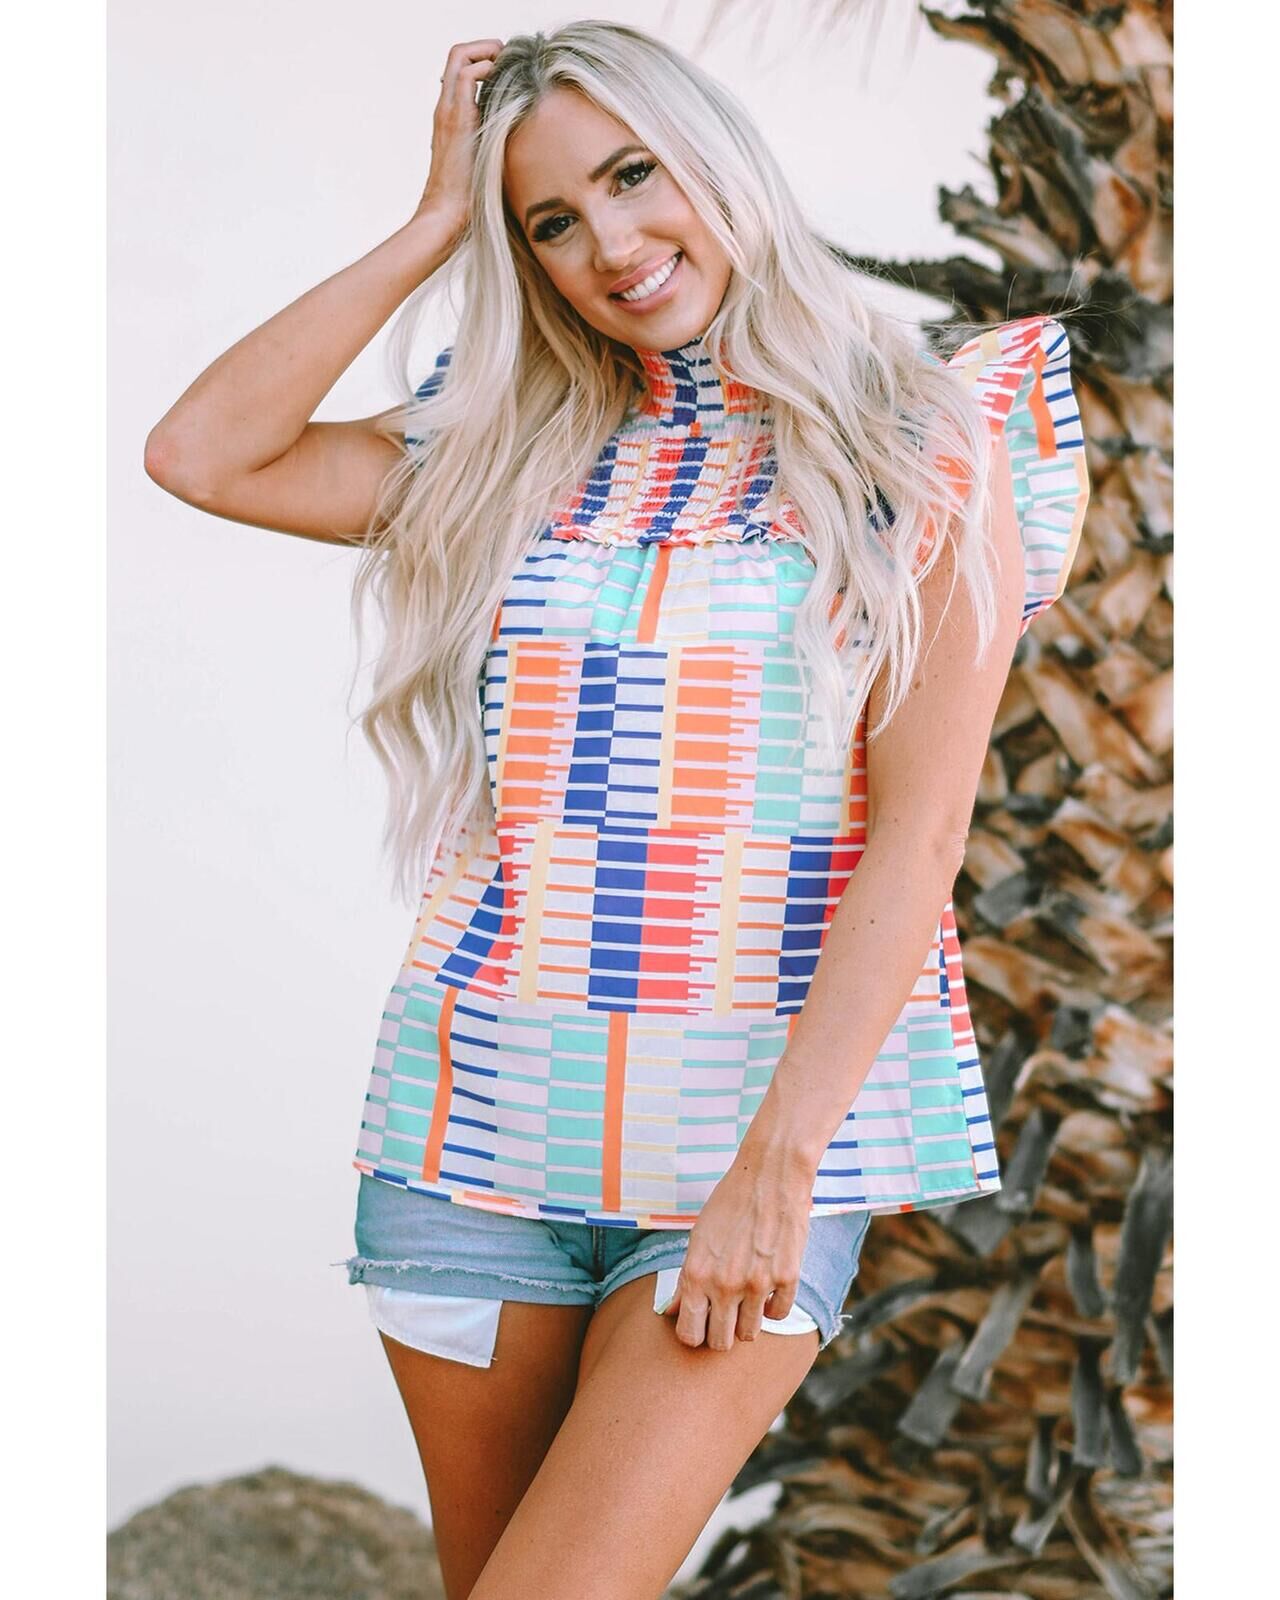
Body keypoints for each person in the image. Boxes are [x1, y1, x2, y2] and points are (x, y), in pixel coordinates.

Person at [144, 21, 1089, 1600]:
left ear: (714, 159)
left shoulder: (928, 437)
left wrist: (780, 1169)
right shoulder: (508, 447)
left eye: (634, 176)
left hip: (747, 1151)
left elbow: (919, 838)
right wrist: (435, 223)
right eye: (549, 222)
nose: (610, 245)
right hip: (474, 1139)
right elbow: (201, 453)